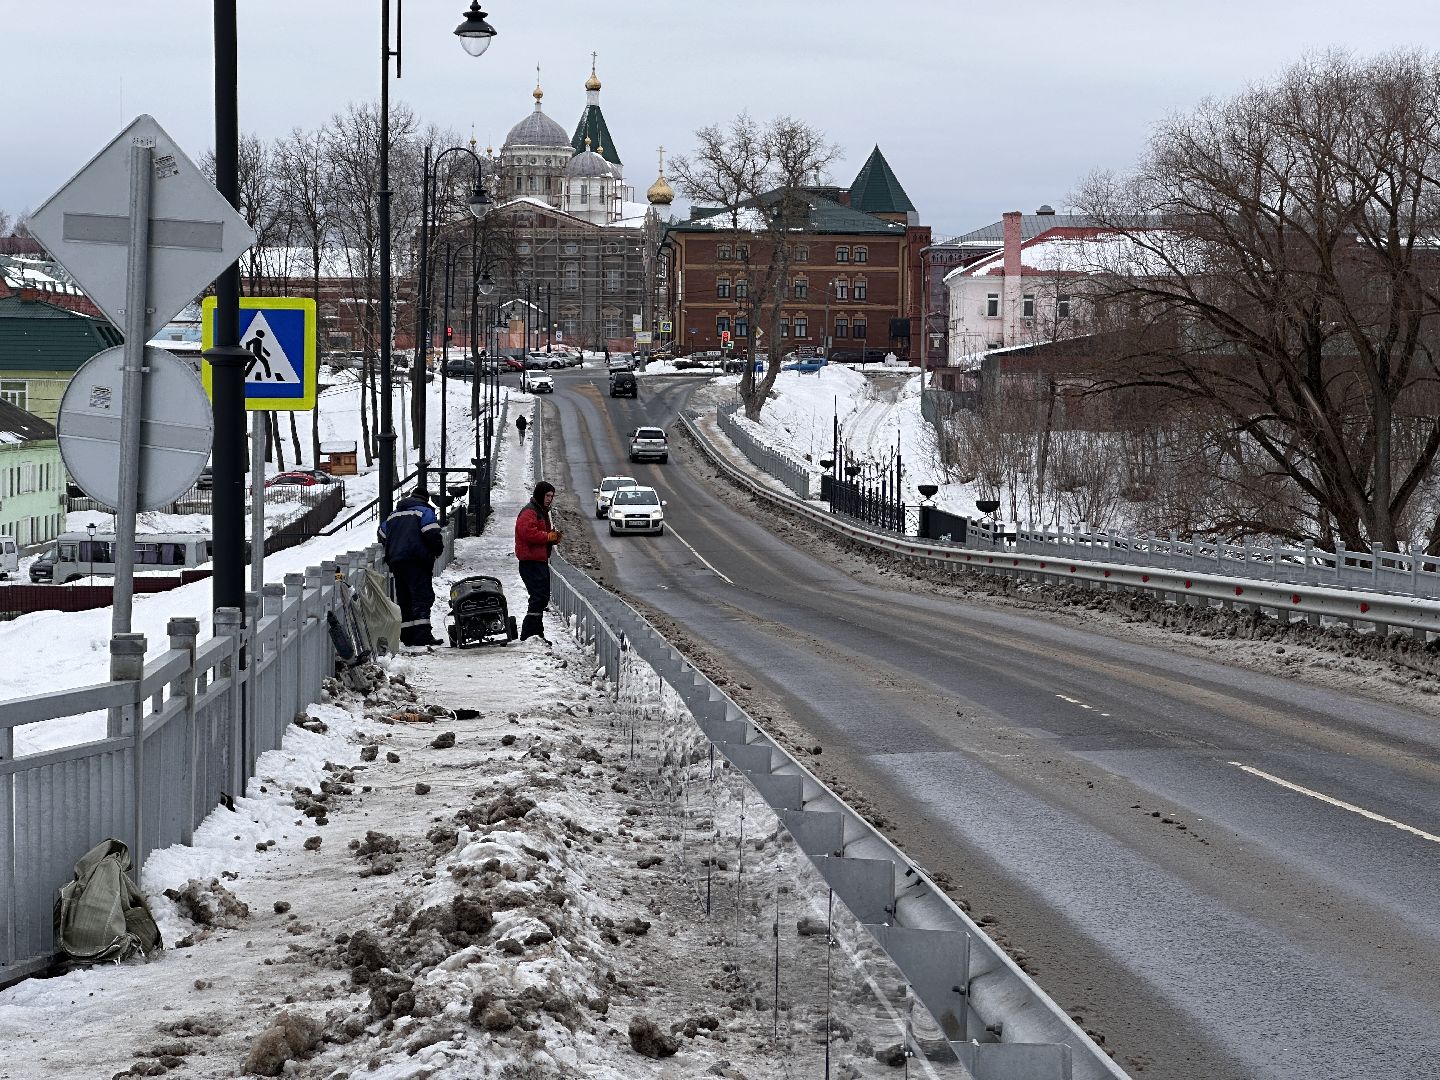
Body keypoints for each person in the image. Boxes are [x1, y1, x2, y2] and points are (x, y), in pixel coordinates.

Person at [378, 488, 444, 648]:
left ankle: (407, 635)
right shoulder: (424, 512)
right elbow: (432, 534)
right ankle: (422, 636)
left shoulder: (394, 515)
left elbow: (381, 533)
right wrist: (436, 551)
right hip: (417, 561)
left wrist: (394, 547)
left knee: (405, 598)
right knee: (421, 597)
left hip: (397, 562)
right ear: (425, 499)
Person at [514, 480, 561, 643]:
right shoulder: (530, 512)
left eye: (552, 496)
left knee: (541, 597)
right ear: (540, 495)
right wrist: (547, 537)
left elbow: (538, 533)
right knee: (538, 597)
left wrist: (552, 538)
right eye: (547, 496)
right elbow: (527, 532)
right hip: (531, 562)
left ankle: (536, 633)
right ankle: (529, 634)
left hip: (539, 561)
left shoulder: (540, 511)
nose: (549, 499)